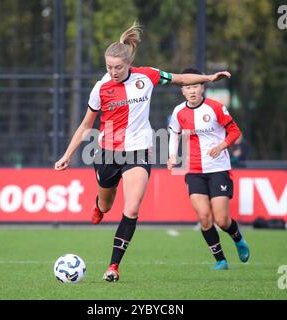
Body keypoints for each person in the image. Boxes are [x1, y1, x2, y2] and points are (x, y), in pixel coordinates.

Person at [54, 22, 231, 282]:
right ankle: (99, 207)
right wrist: (67, 154)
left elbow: (180, 79)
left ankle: (113, 266)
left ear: (128, 63)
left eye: (118, 67)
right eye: (109, 67)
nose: (113, 72)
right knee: (106, 202)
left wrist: (208, 78)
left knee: (132, 209)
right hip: (106, 153)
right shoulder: (100, 88)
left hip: (139, 151)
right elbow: (85, 125)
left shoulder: (146, 76)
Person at [167, 68, 250, 271]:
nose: (192, 90)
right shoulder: (178, 112)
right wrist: (171, 156)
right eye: (188, 87)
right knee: (204, 217)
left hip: (218, 168)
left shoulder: (216, 108)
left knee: (221, 220)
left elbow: (234, 131)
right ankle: (221, 260)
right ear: (182, 90)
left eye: (196, 86)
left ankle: (238, 238)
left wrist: (221, 146)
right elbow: (174, 134)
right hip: (194, 170)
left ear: (202, 87)